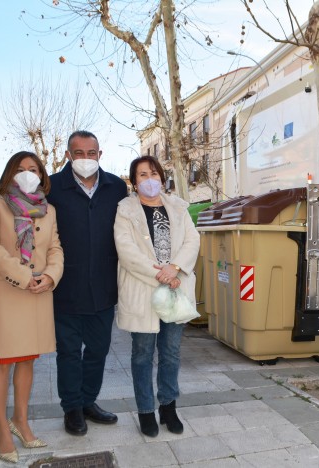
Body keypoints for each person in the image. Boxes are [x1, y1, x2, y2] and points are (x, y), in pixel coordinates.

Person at [0, 151, 64, 463]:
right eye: (21, 168)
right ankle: (2, 428)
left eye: (34, 169)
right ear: (9, 173)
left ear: (42, 175)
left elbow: (55, 248)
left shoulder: (48, 210)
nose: (28, 173)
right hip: (7, 290)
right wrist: (24, 276)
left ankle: (21, 421)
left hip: (38, 292)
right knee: (2, 362)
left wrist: (51, 276)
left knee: (27, 361)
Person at [46, 131, 127, 436]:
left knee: (98, 349)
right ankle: (72, 409)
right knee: (68, 352)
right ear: (68, 155)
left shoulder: (116, 187)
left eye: (90, 153)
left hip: (104, 287)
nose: (85, 159)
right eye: (78, 153)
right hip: (66, 288)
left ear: (100, 154)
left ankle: (88, 401)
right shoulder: (53, 187)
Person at [113, 156, 200, 437]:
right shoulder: (125, 210)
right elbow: (126, 251)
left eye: (153, 173)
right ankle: (146, 410)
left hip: (176, 288)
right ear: (134, 182)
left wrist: (175, 268)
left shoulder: (178, 207)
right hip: (143, 290)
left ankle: (168, 407)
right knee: (142, 354)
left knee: (171, 354)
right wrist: (160, 274)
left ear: (162, 177)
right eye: (141, 175)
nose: (149, 179)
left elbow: (192, 240)